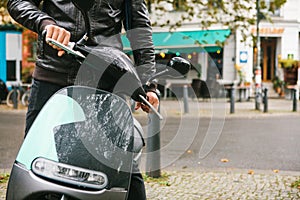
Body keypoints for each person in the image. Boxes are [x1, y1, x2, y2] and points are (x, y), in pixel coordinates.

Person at [7, 0, 159, 199]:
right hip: (53, 75)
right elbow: (18, 2)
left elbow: (139, 28)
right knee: (34, 162)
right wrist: (45, 23)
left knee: (122, 168)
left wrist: (148, 84)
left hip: (105, 79)